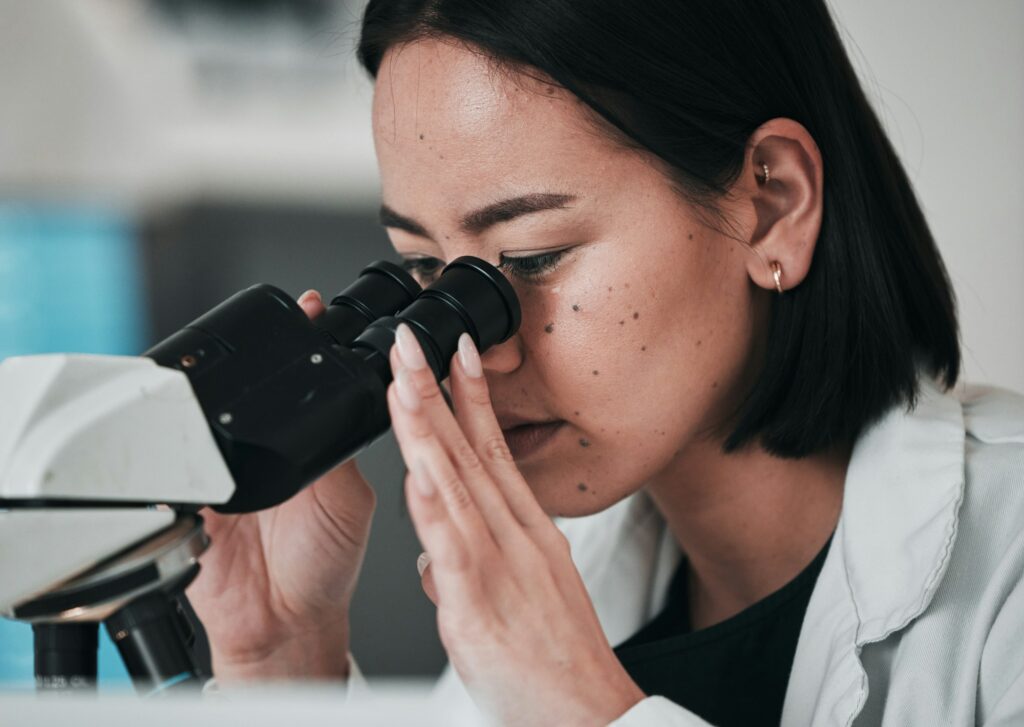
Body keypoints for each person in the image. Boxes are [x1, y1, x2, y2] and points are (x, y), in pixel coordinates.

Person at [186, 1, 1024, 725]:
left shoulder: (1008, 573)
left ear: (774, 205)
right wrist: (283, 659)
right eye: (422, 273)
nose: (475, 345)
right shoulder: (563, 584)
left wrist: (588, 708)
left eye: (534, 255)